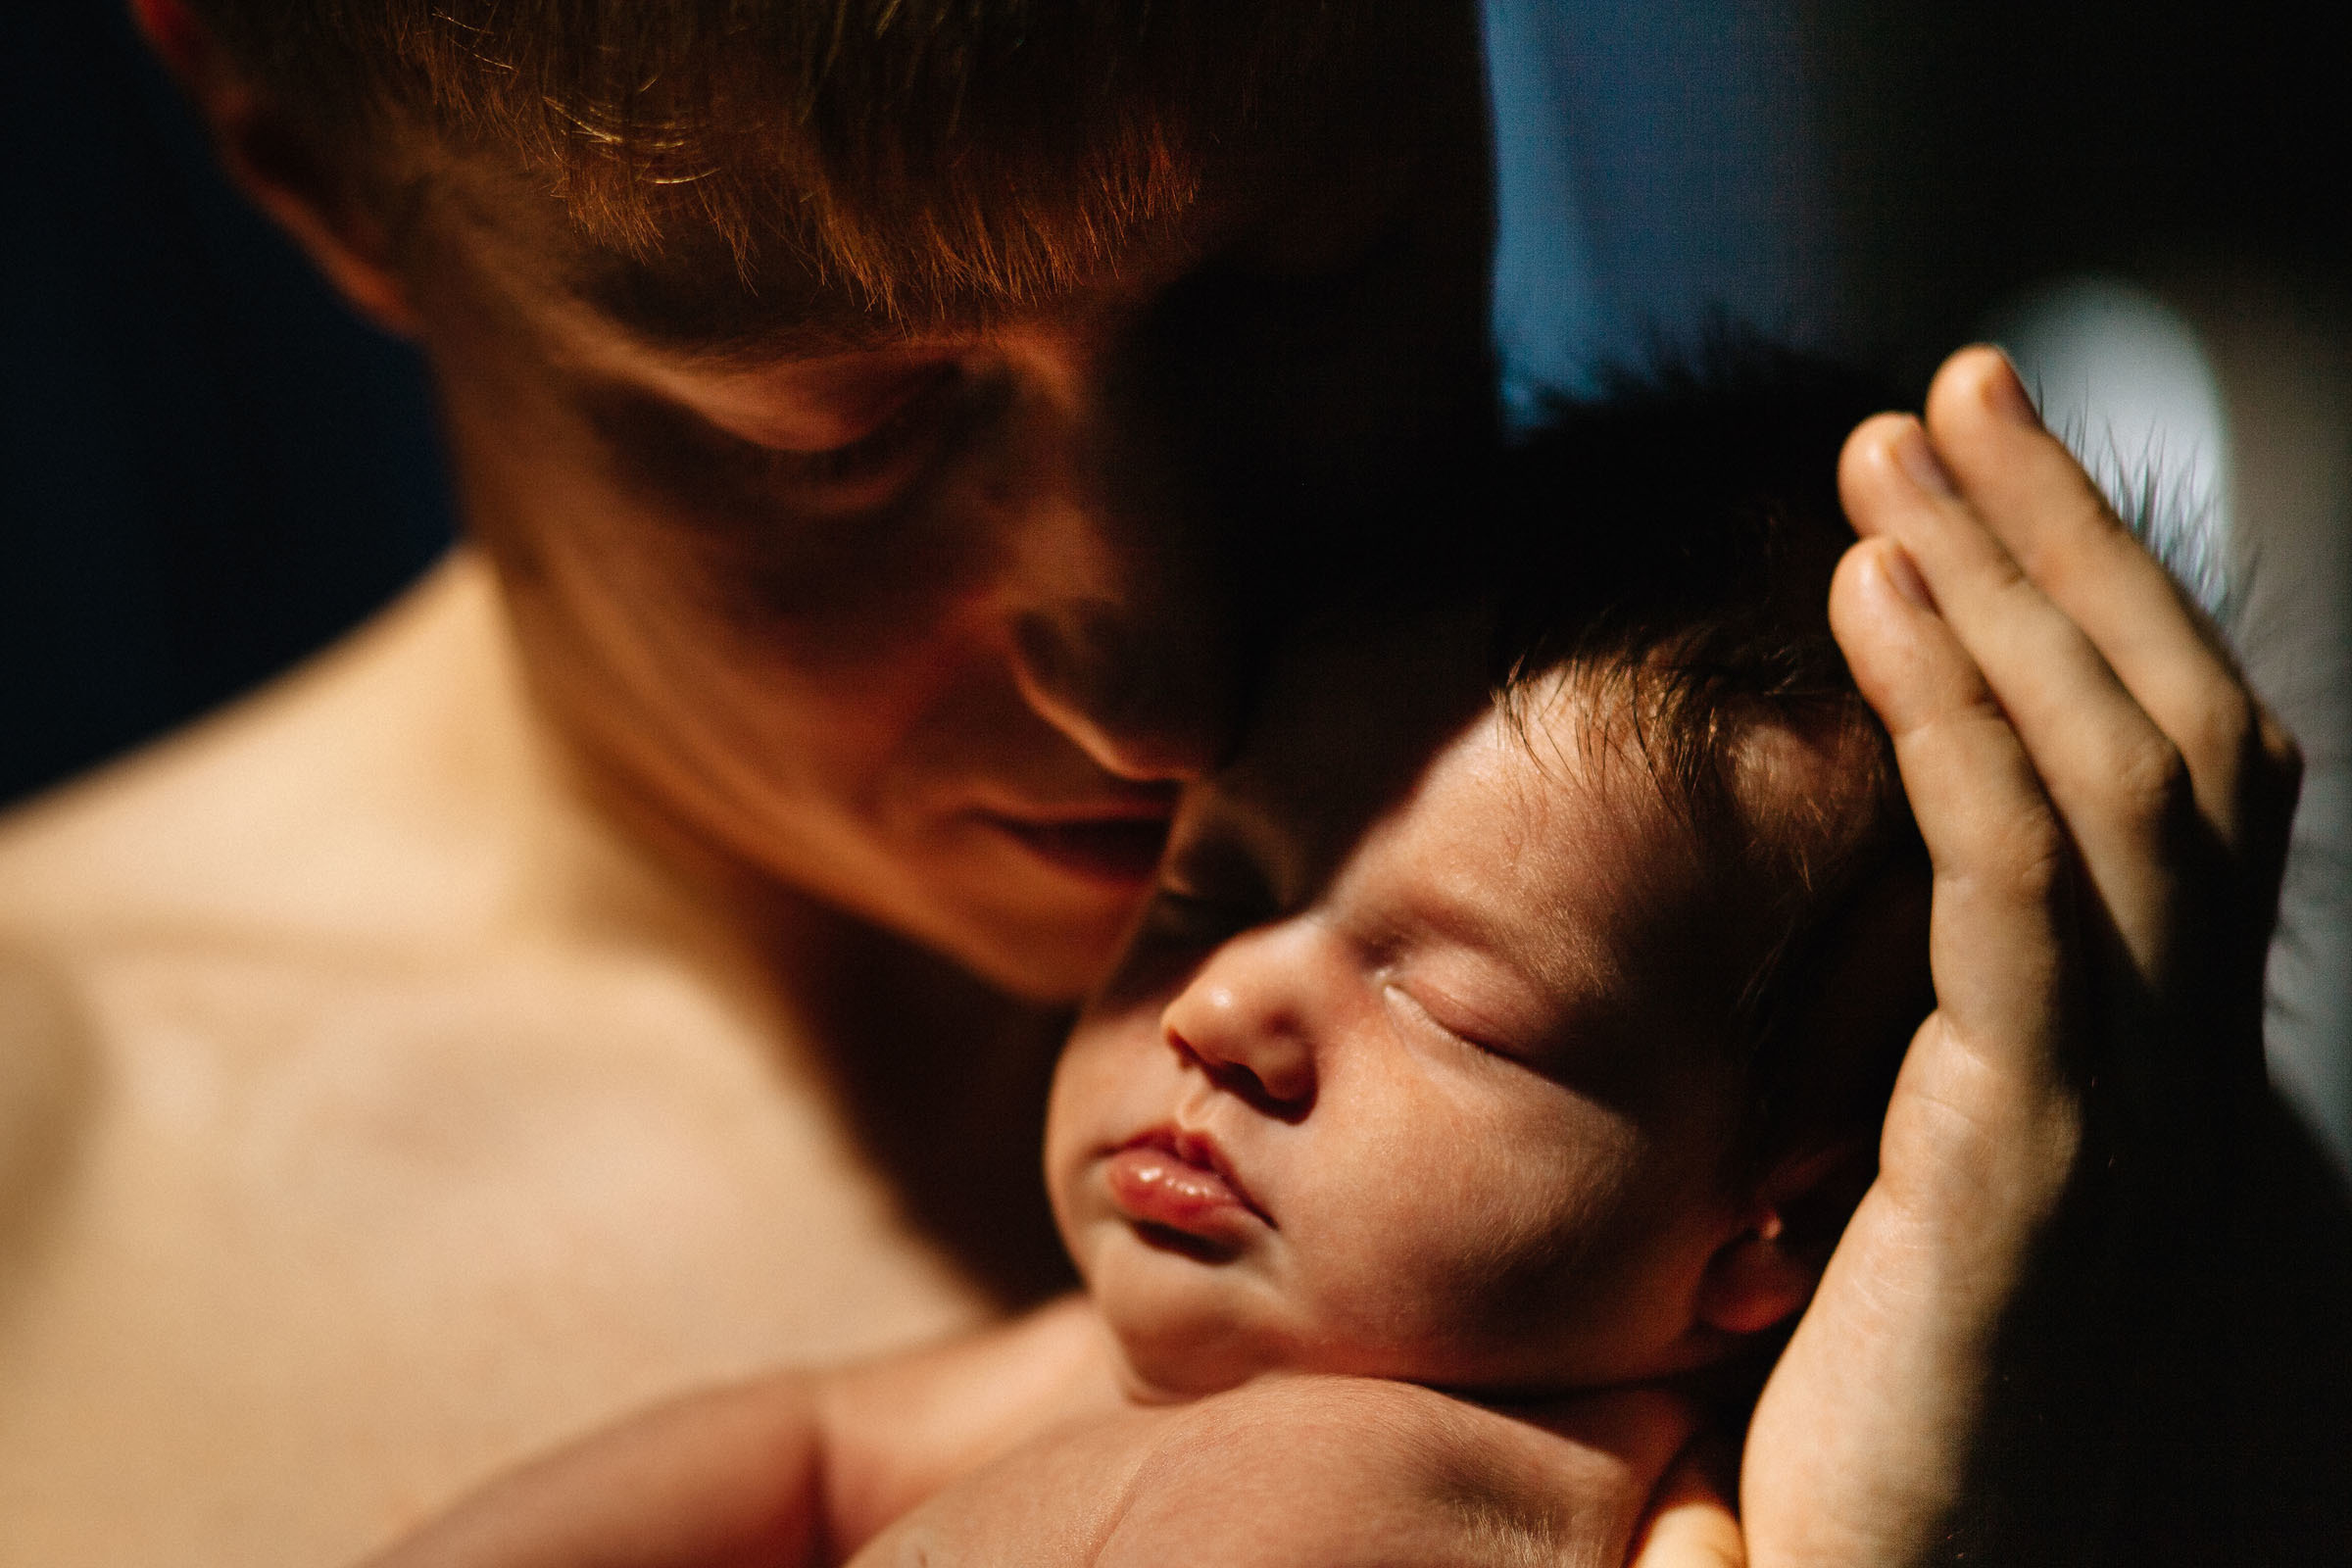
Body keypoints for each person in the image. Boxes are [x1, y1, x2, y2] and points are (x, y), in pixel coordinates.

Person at [0, 0, 2316, 1558]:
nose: (1176, 674)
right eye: (840, 423)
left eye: (1306, 267)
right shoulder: (49, 1223)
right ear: (292, 145)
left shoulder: (1980, 1106)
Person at [362, 355, 1929, 1568]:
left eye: (1452, 1008)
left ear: (1768, 1231)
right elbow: (798, 1458)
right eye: (1200, 896)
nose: (1221, 1004)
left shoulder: (1531, 1496)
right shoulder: (1073, 1380)